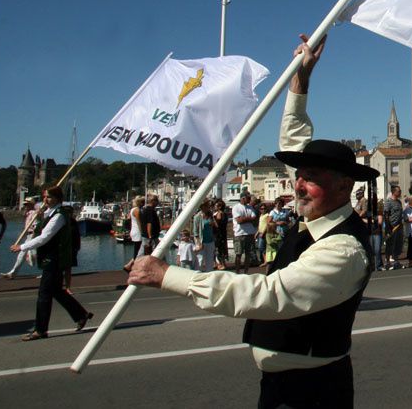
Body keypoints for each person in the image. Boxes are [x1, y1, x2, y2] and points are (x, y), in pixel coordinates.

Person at [129, 34, 377, 408]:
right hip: (282, 385)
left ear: (344, 187)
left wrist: (167, 276)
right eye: (299, 175)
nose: (299, 185)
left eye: (311, 178)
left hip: (311, 391)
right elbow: (295, 140)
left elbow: (267, 295)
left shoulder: (343, 248)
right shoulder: (313, 217)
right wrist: (301, 79)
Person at [13, 185, 93, 340]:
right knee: (56, 291)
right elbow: (40, 232)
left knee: (44, 294)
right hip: (49, 257)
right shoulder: (50, 214)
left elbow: (45, 237)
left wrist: (22, 247)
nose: (45, 199)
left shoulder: (59, 216)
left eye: (48, 197)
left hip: (54, 258)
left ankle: (40, 330)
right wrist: (39, 217)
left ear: (57, 198)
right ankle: (81, 314)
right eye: (44, 196)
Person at [3, 197, 42, 279]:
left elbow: (36, 225)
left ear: (31, 204)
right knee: (22, 254)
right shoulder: (28, 213)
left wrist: (33, 236)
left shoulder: (35, 213)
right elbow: (26, 227)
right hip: (28, 235)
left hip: (33, 235)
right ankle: (13, 273)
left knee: (37, 254)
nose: (26, 206)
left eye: (27, 204)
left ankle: (47, 272)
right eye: (25, 204)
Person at [232, 191, 258, 273]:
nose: (250, 199)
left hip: (249, 234)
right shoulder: (236, 207)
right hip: (239, 234)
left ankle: (246, 272)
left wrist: (244, 219)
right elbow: (239, 220)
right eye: (248, 198)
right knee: (238, 254)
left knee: (248, 254)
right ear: (243, 198)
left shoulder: (250, 207)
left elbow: (254, 219)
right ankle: (237, 272)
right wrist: (248, 219)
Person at [383, 185, 405, 268]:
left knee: (398, 244)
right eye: (399, 191)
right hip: (391, 226)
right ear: (394, 192)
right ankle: (387, 261)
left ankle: (395, 261)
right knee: (390, 244)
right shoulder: (388, 202)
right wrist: (388, 227)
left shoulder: (399, 202)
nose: (400, 192)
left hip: (399, 226)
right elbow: (386, 215)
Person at [122, 195, 145, 273]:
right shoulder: (137, 210)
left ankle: (129, 265)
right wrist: (143, 232)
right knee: (138, 251)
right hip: (138, 232)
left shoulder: (132, 210)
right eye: (143, 202)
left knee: (138, 250)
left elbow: (129, 219)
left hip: (134, 231)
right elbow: (139, 222)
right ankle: (133, 267)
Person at [192, 200, 216, 272]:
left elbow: (215, 227)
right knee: (200, 260)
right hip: (202, 241)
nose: (208, 208)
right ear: (202, 207)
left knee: (210, 262)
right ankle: (197, 276)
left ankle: (209, 277)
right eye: (206, 206)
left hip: (210, 241)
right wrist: (199, 243)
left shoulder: (210, 215)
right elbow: (195, 232)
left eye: (208, 206)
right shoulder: (197, 217)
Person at [213, 201, 229, 270]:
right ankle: (222, 263)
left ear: (219, 207)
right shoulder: (224, 214)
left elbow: (217, 222)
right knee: (221, 248)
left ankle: (221, 263)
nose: (214, 207)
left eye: (216, 205)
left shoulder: (220, 213)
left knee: (219, 249)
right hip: (222, 233)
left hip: (219, 233)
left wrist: (213, 218)